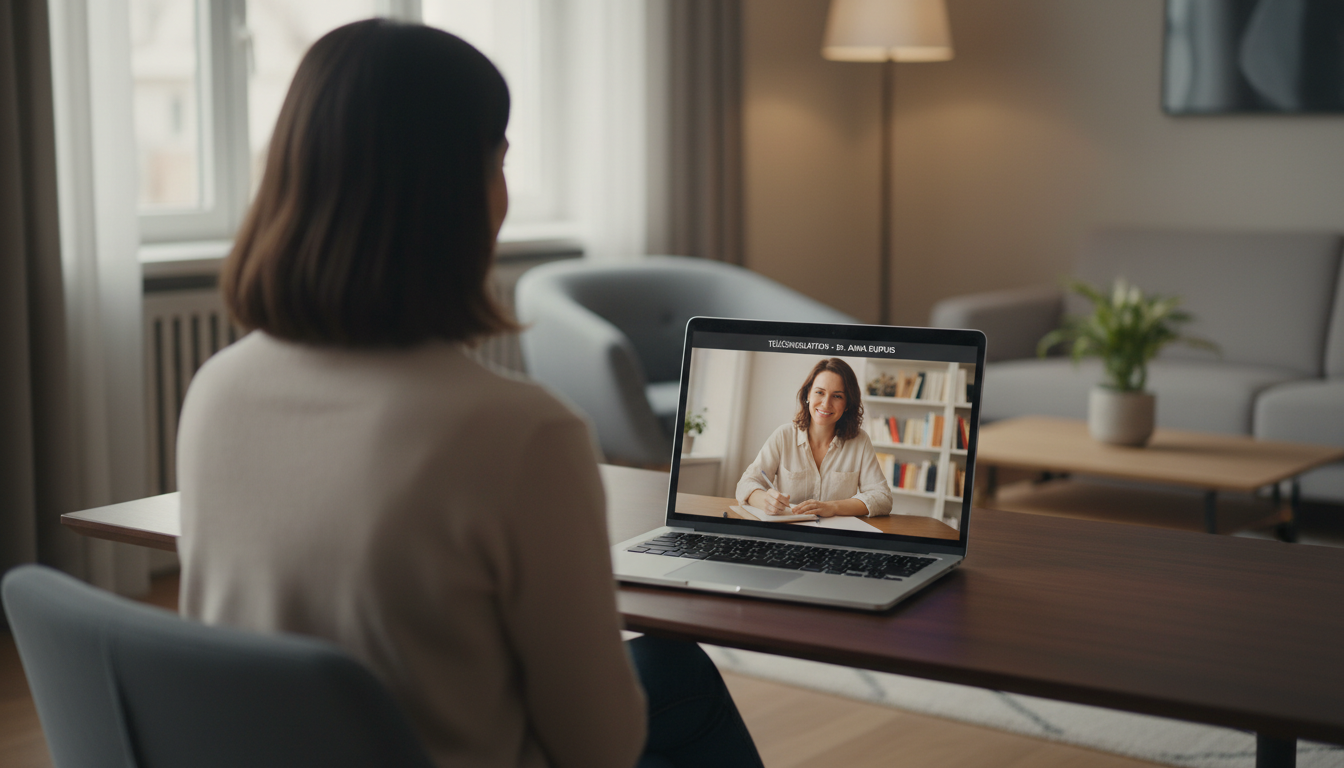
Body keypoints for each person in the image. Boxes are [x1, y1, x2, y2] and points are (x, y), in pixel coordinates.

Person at [175, 19, 761, 768]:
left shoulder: (216, 391)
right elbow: (602, 748)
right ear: (461, 192)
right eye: (500, 161)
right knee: (680, 678)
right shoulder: (519, 432)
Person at [737, 358, 893, 518]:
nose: (826, 404)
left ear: (847, 404)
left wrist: (832, 507)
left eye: (837, 396)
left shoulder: (859, 441)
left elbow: (883, 498)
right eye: (820, 392)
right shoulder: (783, 436)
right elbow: (745, 484)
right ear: (808, 394)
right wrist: (764, 500)